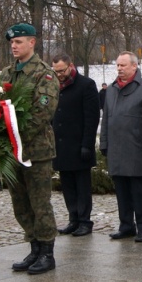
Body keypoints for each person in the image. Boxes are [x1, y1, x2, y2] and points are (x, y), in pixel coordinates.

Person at [0, 24, 60, 274]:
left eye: (19, 42)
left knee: (39, 202)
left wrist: (17, 136)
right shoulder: (6, 73)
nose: (14, 46)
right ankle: (33, 247)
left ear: (32, 43)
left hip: (37, 151)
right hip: (12, 151)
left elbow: (43, 111)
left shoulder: (43, 74)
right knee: (20, 203)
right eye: (12, 43)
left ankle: (47, 252)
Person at [100, 51, 142, 242]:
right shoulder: (111, 89)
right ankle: (126, 225)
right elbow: (107, 119)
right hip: (116, 148)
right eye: (117, 65)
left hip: (136, 148)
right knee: (122, 191)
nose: (119, 69)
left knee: (139, 191)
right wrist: (104, 142)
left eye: (123, 65)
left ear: (134, 66)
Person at [51, 54, 99, 237]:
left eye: (62, 71)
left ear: (71, 66)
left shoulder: (86, 85)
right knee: (68, 185)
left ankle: (85, 221)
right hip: (61, 146)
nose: (59, 74)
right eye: (56, 71)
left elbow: (91, 117)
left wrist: (87, 144)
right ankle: (73, 218)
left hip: (79, 146)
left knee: (82, 186)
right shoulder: (54, 85)